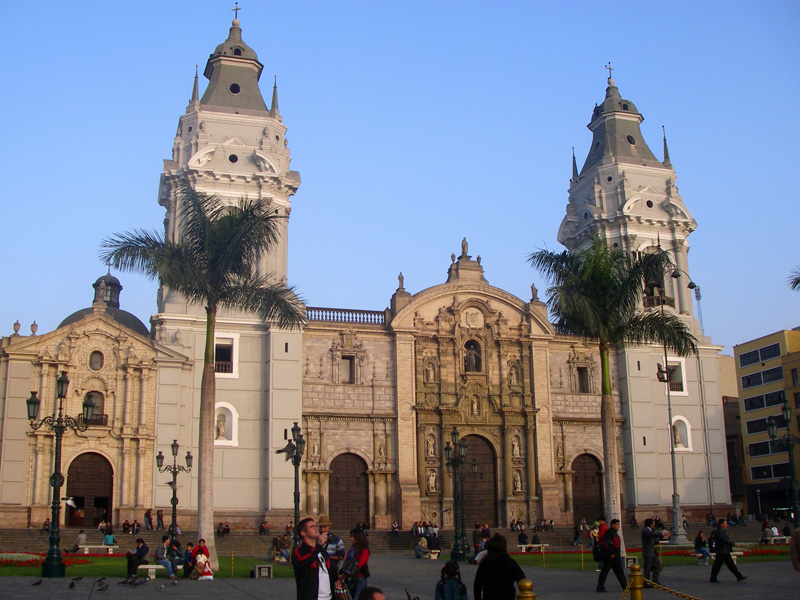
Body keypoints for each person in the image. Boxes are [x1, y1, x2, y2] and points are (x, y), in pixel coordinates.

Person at [291, 517, 334, 600]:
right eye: (312, 527)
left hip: (328, 597)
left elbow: (329, 572)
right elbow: (305, 563)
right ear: (303, 533)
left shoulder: (322, 552)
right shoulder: (299, 551)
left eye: (316, 525)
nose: (316, 528)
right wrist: (318, 546)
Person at [473, 534, 525, 600]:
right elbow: (521, 579)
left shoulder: (485, 563)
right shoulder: (509, 562)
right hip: (507, 596)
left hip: (489, 596)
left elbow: (478, 584)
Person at [596, 519, 627, 593]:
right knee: (605, 572)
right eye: (617, 524)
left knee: (619, 572)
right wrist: (612, 553)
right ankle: (600, 587)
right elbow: (608, 543)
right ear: (612, 525)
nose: (618, 526)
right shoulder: (609, 532)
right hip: (611, 556)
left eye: (619, 524)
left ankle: (625, 586)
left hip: (616, 557)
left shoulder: (614, 533)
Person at [344, 528, 370, 598]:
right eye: (350, 536)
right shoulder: (351, 550)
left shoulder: (364, 550)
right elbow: (346, 562)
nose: (351, 538)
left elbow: (360, 564)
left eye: (353, 537)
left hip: (359, 577)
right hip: (350, 578)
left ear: (358, 537)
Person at [641, 518, 669, 585]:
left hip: (653, 552)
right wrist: (662, 534)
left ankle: (655, 581)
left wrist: (660, 541)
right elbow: (651, 535)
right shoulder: (645, 530)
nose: (654, 524)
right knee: (647, 568)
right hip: (648, 552)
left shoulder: (650, 530)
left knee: (657, 565)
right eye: (653, 523)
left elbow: (653, 540)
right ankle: (646, 583)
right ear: (650, 524)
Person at [318, 515, 345, 580]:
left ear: (329, 526)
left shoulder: (336, 540)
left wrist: (329, 557)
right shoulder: (316, 539)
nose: (322, 529)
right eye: (320, 527)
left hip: (331, 570)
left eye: (324, 527)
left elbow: (341, 556)